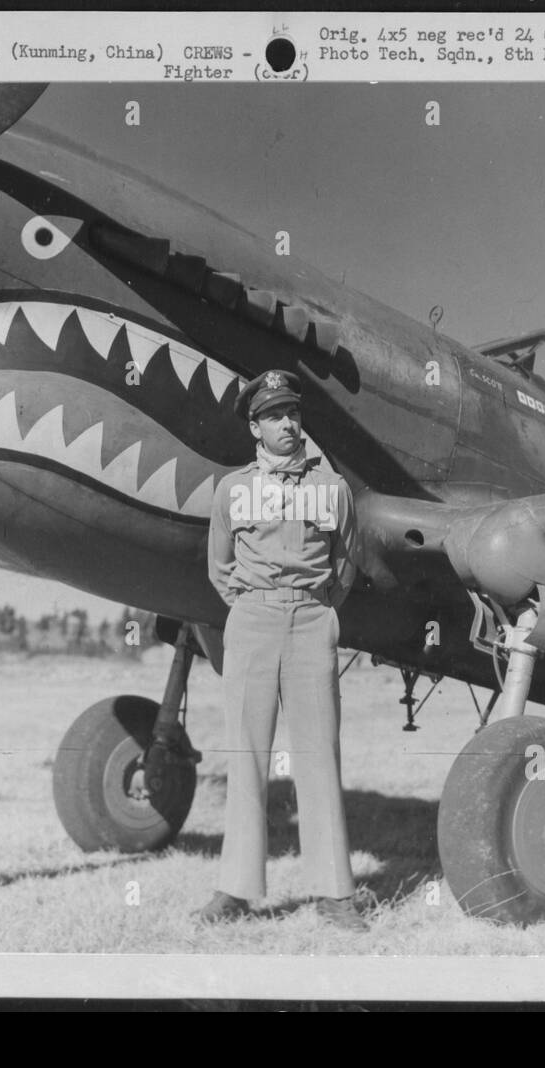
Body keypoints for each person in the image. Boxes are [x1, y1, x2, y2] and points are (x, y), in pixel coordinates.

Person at [197, 369, 365, 931]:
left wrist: (312, 607)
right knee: (247, 754)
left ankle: (335, 893)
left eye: (292, 412)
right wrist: (254, 605)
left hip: (313, 620)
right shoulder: (233, 490)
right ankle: (237, 889)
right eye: (274, 416)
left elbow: (344, 566)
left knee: (319, 754)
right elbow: (220, 567)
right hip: (251, 620)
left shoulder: (333, 490)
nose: (287, 423)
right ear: (255, 426)